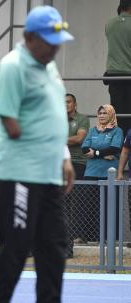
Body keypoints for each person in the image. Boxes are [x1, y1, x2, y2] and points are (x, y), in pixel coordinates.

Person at [0, 5, 75, 303]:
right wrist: (46, 143)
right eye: (49, 41)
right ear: (29, 37)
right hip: (19, 172)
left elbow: (53, 115)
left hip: (48, 170)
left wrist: (63, 154)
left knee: (53, 241)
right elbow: (9, 121)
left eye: (58, 41)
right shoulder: (13, 66)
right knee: (17, 241)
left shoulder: (49, 67)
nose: (55, 47)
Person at [82, 105, 123, 241]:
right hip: (91, 172)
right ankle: (90, 237)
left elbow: (114, 148)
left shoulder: (117, 131)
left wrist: (96, 153)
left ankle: (110, 238)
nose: (102, 115)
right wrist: (102, 154)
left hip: (109, 174)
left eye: (105, 113)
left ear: (111, 114)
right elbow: (85, 148)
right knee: (90, 206)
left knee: (109, 207)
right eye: (100, 113)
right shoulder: (93, 130)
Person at [65, 93, 91, 250]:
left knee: (76, 202)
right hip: (61, 162)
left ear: (75, 104)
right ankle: (65, 238)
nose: (65, 105)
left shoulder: (82, 119)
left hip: (78, 163)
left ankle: (76, 236)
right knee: (62, 202)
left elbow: (79, 139)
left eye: (68, 102)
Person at [105, 0, 131, 136]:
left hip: (114, 75)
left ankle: (120, 148)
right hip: (129, 74)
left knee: (118, 115)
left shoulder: (109, 24)